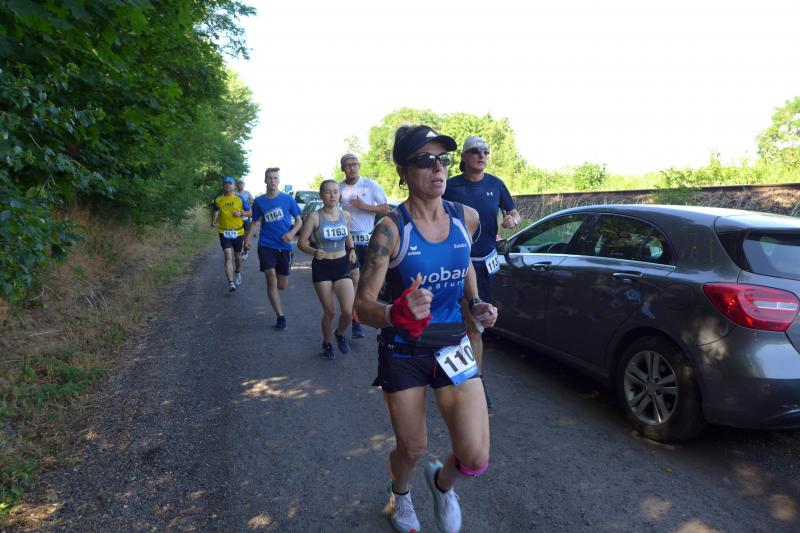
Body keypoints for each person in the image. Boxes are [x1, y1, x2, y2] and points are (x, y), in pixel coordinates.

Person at [354, 125, 498, 533]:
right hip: (404, 349)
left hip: (452, 343)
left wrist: (475, 302)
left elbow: (464, 262)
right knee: (413, 447)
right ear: (403, 172)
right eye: (424, 161)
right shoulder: (391, 229)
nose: (437, 169)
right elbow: (360, 308)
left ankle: (442, 483)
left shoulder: (465, 217)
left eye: (443, 160)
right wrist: (395, 313)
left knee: (475, 457)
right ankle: (400, 494)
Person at [442, 135, 520, 408]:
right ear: (464, 156)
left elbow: (513, 211)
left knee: (476, 326)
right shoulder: (450, 186)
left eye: (486, 151)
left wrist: (511, 219)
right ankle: (471, 382)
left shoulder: (495, 184)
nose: (482, 155)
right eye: (476, 151)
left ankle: (473, 379)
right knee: (467, 325)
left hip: (486, 263)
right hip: (457, 263)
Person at [297, 180, 357, 360]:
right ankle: (327, 343)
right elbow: (301, 243)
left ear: (339, 194)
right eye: (328, 192)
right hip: (322, 267)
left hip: (341, 265)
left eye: (335, 192)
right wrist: (313, 251)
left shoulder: (345, 215)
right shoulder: (315, 217)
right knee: (330, 311)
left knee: (348, 311)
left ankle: (340, 333)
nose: (332, 195)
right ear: (321, 195)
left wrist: (352, 250)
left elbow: (348, 235)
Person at [244, 167, 302, 330]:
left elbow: (299, 221)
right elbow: (255, 222)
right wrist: (248, 238)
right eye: (269, 178)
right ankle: (280, 316)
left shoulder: (288, 200)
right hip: (266, 244)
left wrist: (292, 233)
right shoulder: (259, 202)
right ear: (265, 180)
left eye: (275, 178)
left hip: (284, 246)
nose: (272, 181)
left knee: (282, 284)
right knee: (270, 278)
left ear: (279, 180)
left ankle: (276, 284)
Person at [338, 153, 389, 339]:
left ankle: (370, 316)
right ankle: (356, 321)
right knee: (355, 279)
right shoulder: (339, 188)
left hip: (368, 240)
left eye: (355, 164)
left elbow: (385, 208)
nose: (352, 167)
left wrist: (364, 206)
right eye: (348, 165)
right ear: (343, 168)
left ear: (359, 166)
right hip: (348, 241)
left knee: (370, 283)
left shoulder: (370, 185)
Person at [211, 176, 251, 292]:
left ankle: (237, 272)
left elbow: (250, 212)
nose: (228, 186)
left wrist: (241, 213)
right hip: (224, 231)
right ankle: (231, 282)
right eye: (226, 184)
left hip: (238, 231)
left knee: (238, 257)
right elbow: (215, 210)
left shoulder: (240, 198)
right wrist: (213, 220)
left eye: (230, 184)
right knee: (228, 255)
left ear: (234, 186)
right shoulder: (218, 199)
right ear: (223, 186)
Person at [235, 177, 255, 261]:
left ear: (244, 185)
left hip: (246, 217)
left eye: (242, 183)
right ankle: (239, 251)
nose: (240, 185)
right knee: (238, 236)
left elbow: (253, 201)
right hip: (236, 218)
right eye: (239, 183)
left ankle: (245, 252)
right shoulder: (234, 193)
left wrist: (248, 205)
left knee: (246, 235)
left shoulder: (247, 193)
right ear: (237, 185)